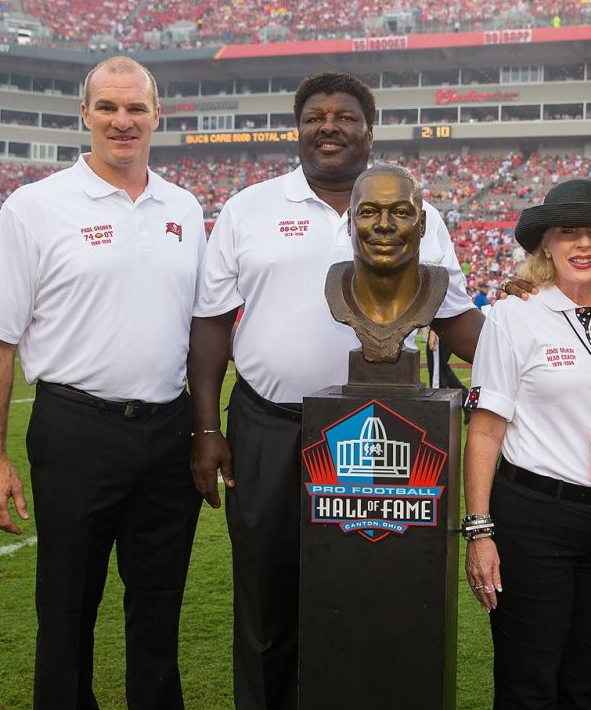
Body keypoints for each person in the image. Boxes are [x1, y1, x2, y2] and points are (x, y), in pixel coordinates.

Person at [189, 71, 486, 710]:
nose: (330, 126)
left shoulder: (417, 213)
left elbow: (460, 323)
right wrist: (208, 430)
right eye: (316, 116)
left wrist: (539, 342)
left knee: (372, 590)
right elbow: (211, 326)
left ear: (368, 130)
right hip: (271, 424)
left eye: (346, 116)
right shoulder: (249, 208)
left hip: (379, 431)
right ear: (298, 129)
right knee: (266, 596)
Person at [0, 56, 208, 710]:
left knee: (158, 610)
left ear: (159, 115)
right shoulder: (36, 207)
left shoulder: (185, 208)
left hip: (167, 430)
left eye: (135, 108)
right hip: (76, 430)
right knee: (67, 608)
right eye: (107, 107)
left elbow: (205, 328)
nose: (122, 121)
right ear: (85, 114)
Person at [463, 179, 591, 710]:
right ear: (546, 243)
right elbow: (486, 429)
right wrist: (479, 532)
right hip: (535, 517)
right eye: (569, 233)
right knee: (528, 681)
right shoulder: (514, 314)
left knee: (583, 680)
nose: (583, 245)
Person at [325, 164, 449, 364]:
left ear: (423, 224)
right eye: (368, 212)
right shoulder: (337, 285)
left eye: (400, 212)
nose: (384, 225)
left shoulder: (436, 283)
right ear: (350, 222)